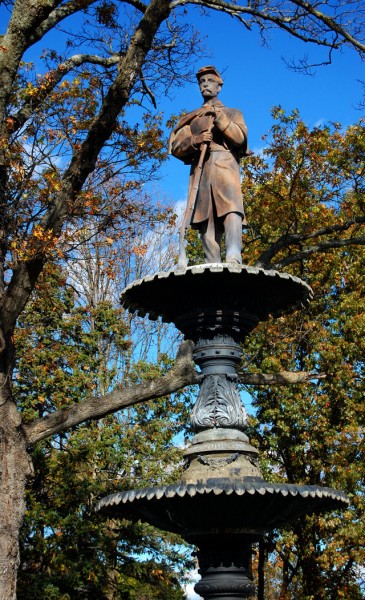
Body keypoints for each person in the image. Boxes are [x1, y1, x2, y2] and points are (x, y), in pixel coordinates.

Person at [169, 65, 248, 266]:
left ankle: (233, 256)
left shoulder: (232, 112)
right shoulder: (193, 118)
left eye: (209, 81)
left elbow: (240, 139)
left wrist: (220, 119)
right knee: (205, 218)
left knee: (231, 209)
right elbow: (176, 146)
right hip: (201, 170)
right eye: (201, 82)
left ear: (219, 86)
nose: (205, 84)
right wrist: (195, 140)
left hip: (225, 165)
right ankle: (211, 263)